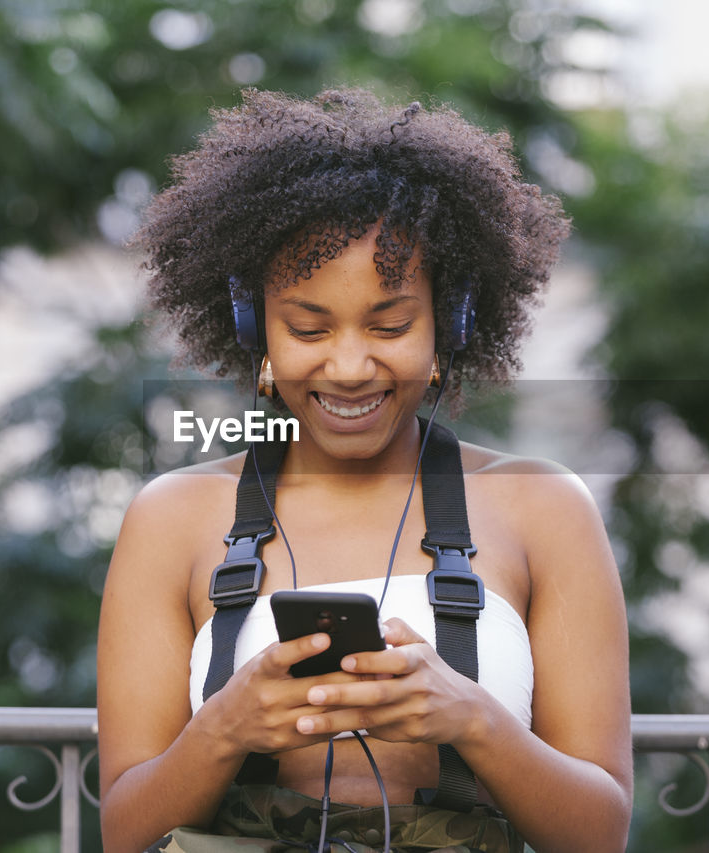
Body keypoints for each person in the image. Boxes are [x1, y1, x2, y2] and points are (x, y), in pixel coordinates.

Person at [96, 88, 632, 853]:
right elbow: (124, 831)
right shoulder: (173, 516)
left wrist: (470, 718)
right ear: (256, 331)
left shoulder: (543, 507)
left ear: (451, 323)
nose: (349, 366)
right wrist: (224, 728)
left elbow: (600, 835)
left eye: (390, 324)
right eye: (308, 327)